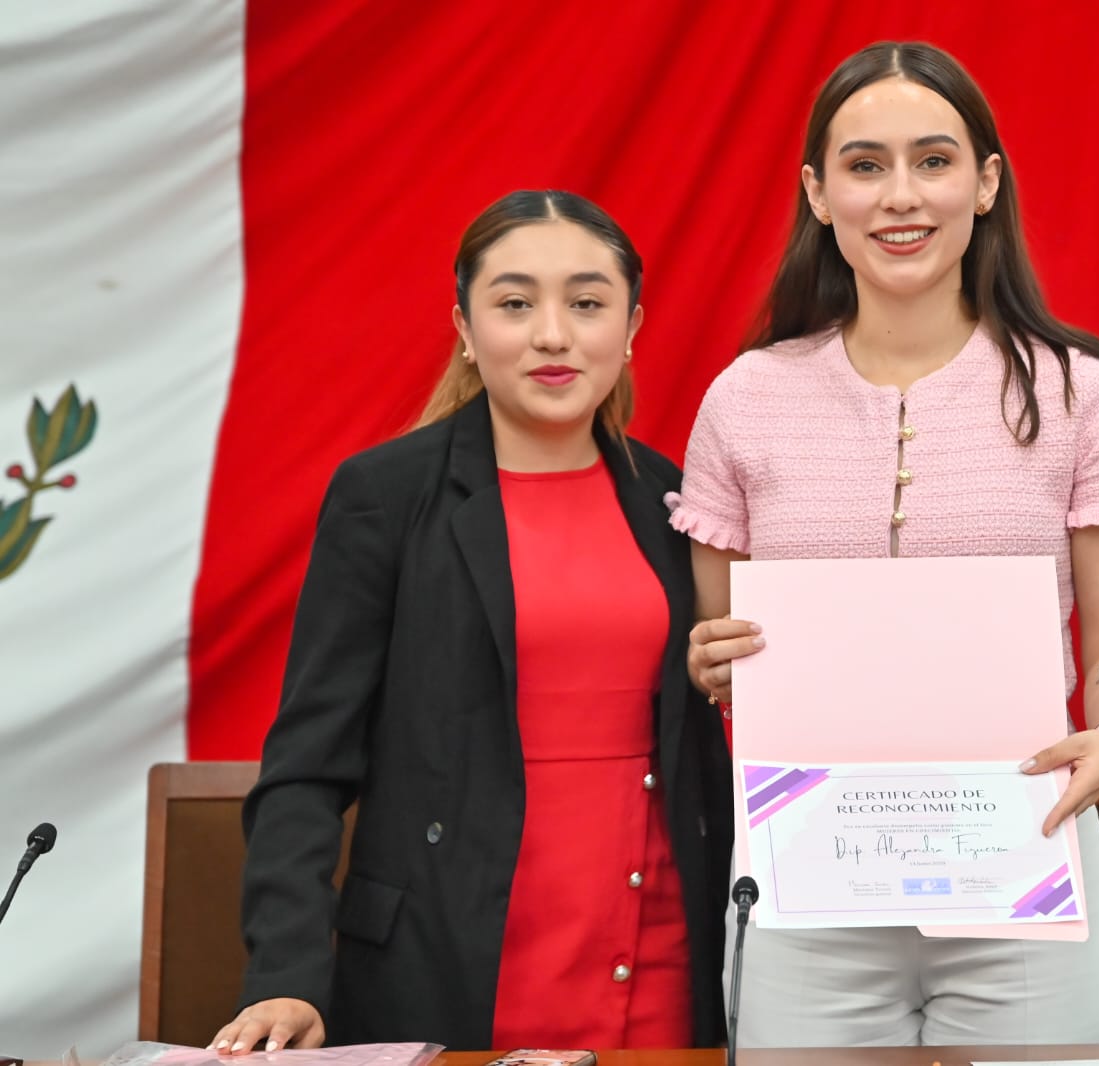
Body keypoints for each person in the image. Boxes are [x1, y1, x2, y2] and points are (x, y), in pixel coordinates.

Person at [671, 42, 1099, 1046]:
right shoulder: (744, 400)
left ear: (985, 184)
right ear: (818, 194)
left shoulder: (1083, 396)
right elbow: (720, 642)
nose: (899, 195)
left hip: (1023, 856)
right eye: (865, 166)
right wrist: (711, 660)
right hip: (806, 873)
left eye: (933, 161)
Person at [210, 190, 733, 1053]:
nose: (553, 335)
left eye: (587, 303)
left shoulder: (673, 500)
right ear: (464, 326)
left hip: (660, 958)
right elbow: (307, 765)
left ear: (632, 327)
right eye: (515, 304)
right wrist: (286, 977)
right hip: (446, 965)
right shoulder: (385, 497)